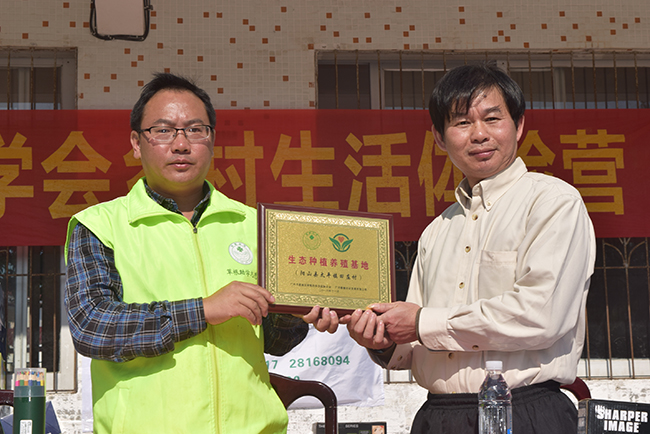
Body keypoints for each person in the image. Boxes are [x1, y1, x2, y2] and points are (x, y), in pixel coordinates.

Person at [64, 72, 338, 434]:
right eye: (163, 130)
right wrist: (204, 310)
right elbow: (92, 327)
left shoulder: (254, 226)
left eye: (195, 130)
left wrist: (295, 313)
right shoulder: (100, 226)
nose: (181, 144)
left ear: (212, 140)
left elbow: (277, 341)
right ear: (136, 143)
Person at [343, 62, 596, 433]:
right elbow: (411, 351)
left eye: (492, 119)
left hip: (527, 413)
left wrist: (420, 322)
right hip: (439, 417)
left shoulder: (553, 203)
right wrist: (378, 338)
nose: (479, 134)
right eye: (462, 122)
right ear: (439, 137)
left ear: (518, 125)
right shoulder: (436, 231)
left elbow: (540, 316)